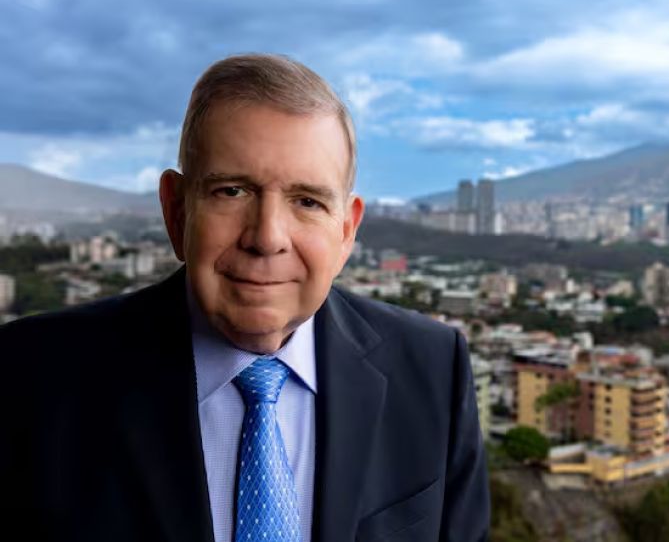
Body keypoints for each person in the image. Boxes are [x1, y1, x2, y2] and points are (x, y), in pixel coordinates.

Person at [0, 54, 490, 541]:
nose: (267, 237)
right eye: (232, 191)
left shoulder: (432, 368)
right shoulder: (30, 376)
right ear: (176, 210)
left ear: (346, 231)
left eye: (307, 201)